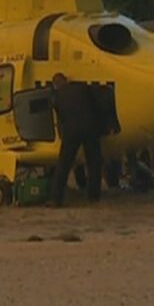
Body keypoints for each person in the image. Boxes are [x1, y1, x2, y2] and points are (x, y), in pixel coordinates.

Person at [49, 73, 103, 207]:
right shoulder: (82, 88)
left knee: (64, 165)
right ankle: (93, 196)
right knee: (94, 162)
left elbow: (60, 117)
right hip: (90, 127)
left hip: (71, 132)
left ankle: (56, 199)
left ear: (56, 85)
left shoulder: (57, 97)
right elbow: (96, 104)